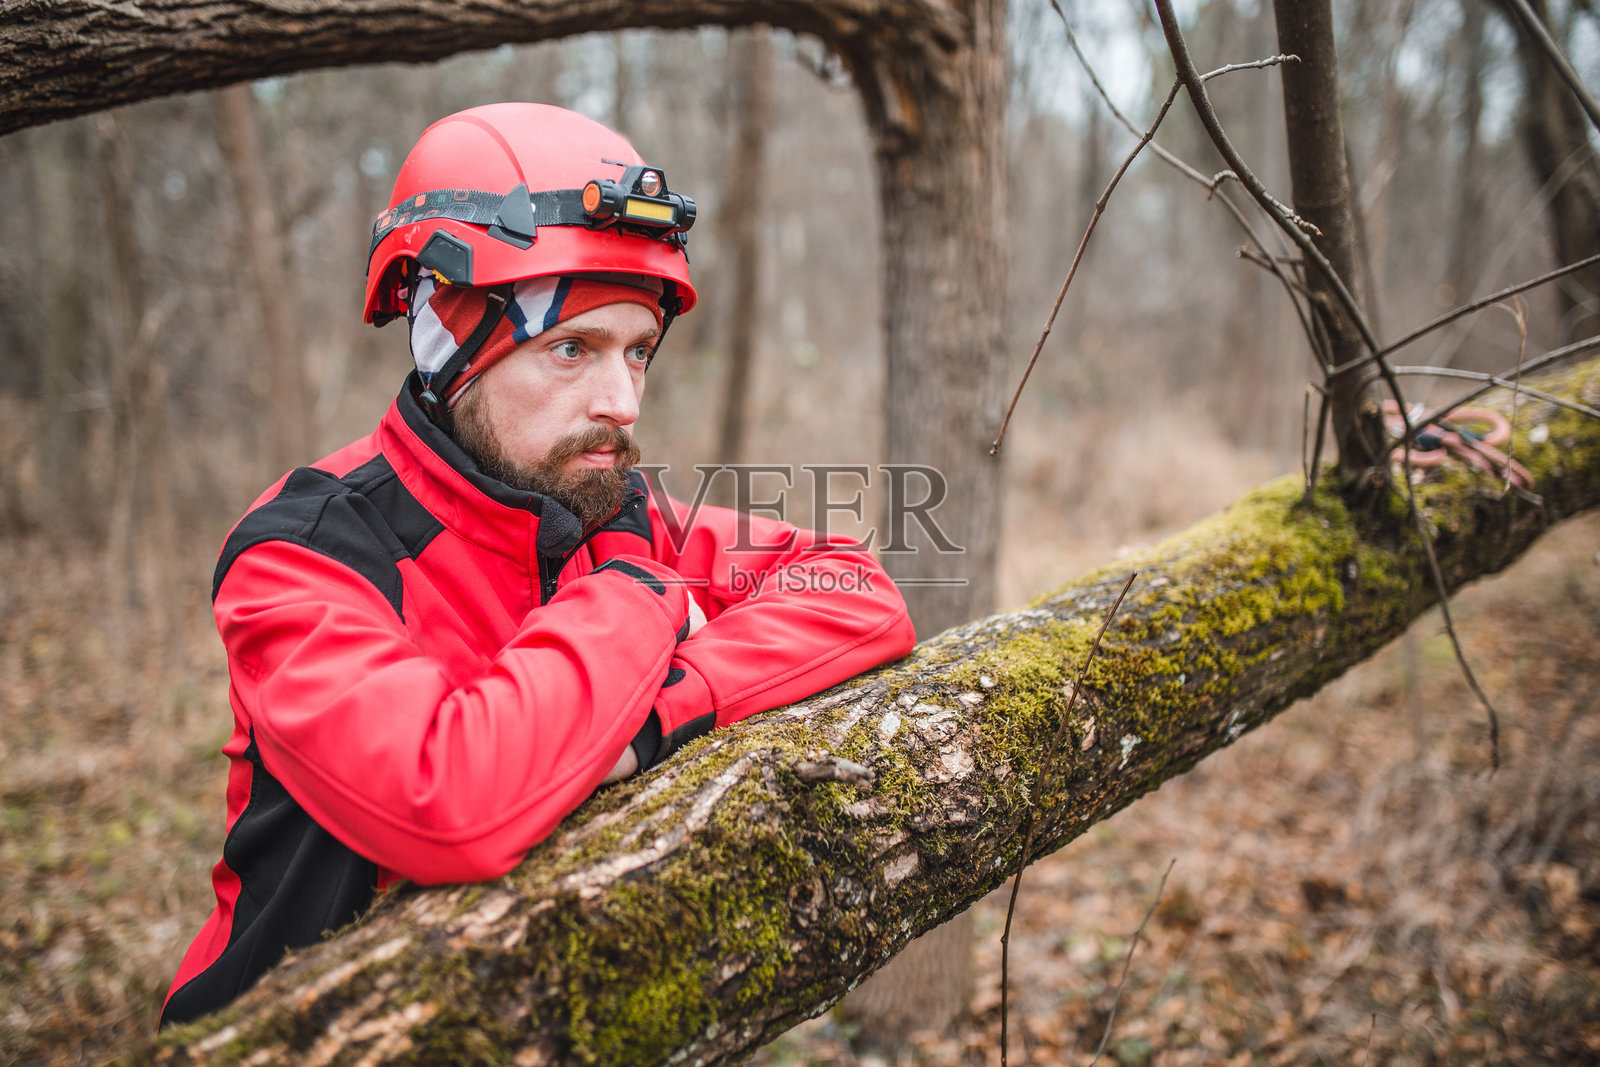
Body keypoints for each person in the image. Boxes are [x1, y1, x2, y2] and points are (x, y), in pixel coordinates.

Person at [161, 103, 916, 1026]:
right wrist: (642, 596)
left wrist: (655, 714)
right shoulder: (304, 551)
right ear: (447, 335)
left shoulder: (603, 502)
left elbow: (859, 590)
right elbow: (449, 799)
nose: (622, 400)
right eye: (572, 348)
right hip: (281, 1033)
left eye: (638, 350)